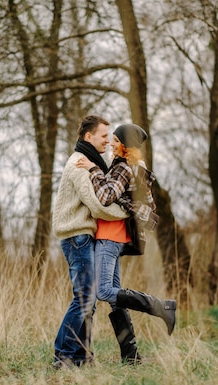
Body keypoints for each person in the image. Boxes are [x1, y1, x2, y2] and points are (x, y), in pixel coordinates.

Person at [76, 123, 176, 365]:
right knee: (113, 298)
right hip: (115, 237)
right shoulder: (127, 166)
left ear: (123, 144)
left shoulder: (122, 167)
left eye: (115, 139)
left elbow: (105, 196)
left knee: (103, 292)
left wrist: (92, 170)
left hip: (110, 236)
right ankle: (131, 356)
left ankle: (162, 307)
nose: (111, 142)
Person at [51, 115, 129, 369]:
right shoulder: (78, 165)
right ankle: (63, 356)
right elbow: (97, 206)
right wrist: (128, 213)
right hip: (76, 237)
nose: (108, 141)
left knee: (88, 300)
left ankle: (80, 356)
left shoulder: (93, 162)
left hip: (82, 236)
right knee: (84, 298)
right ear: (89, 137)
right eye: (104, 136)